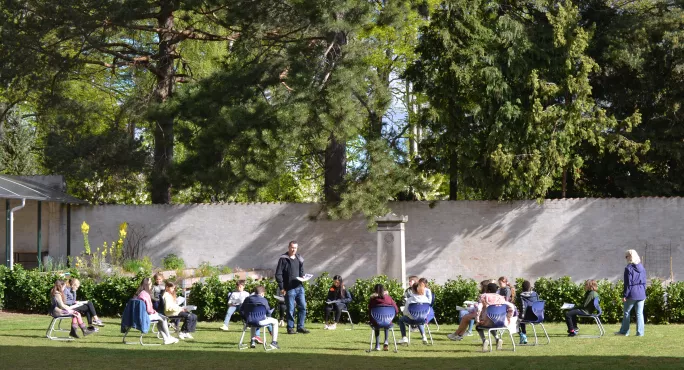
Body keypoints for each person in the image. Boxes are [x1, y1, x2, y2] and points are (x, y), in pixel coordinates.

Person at [448, 283, 516, 352]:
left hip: (487, 321)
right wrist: (508, 317)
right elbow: (511, 306)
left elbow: (479, 307)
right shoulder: (501, 297)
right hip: (501, 322)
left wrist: (477, 318)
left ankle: (484, 340)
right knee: (492, 324)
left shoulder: (484, 296)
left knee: (478, 326)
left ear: (488, 290)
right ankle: (497, 338)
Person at [275, 240, 309, 334]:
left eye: (295, 248)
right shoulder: (283, 259)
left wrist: (303, 276)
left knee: (302, 307)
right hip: (289, 289)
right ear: (288, 247)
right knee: (290, 309)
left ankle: (300, 327)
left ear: (297, 248)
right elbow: (278, 274)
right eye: (292, 247)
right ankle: (290, 328)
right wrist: (282, 287)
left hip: (299, 287)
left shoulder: (299, 258)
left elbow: (301, 271)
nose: (293, 249)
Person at [135, 277, 178, 345]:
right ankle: (168, 337)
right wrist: (155, 312)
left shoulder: (139, 293)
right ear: (147, 284)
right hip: (144, 316)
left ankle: (166, 339)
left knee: (160, 320)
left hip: (139, 316)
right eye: (150, 283)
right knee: (163, 318)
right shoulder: (145, 295)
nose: (151, 285)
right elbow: (149, 310)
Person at [617, 249, 647, 337]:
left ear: (630, 257)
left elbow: (628, 283)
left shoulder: (628, 268)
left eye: (626, 256)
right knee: (639, 313)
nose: (625, 258)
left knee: (626, 312)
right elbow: (644, 282)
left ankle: (624, 331)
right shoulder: (642, 268)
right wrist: (643, 291)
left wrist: (625, 295)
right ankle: (640, 333)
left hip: (632, 293)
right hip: (641, 292)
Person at [398, 279, 431, 345]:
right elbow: (428, 310)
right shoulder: (426, 299)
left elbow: (405, 312)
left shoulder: (410, 300)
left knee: (401, 320)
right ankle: (424, 336)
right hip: (423, 319)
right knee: (419, 318)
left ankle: (404, 337)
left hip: (412, 320)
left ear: (413, 290)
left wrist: (411, 315)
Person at [369, 283, 399, 351]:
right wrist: (391, 317)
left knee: (377, 323)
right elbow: (396, 310)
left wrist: (371, 320)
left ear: (375, 291)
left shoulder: (373, 300)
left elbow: (370, 311)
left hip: (376, 322)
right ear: (383, 290)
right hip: (388, 321)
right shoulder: (389, 298)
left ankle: (377, 345)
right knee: (386, 321)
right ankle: (386, 341)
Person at [518, 280, 539, 344]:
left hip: (528, 317)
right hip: (538, 316)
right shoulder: (535, 294)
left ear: (522, 288)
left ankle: (523, 334)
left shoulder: (521, 296)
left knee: (518, 319)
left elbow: (523, 308)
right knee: (521, 317)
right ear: (530, 287)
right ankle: (523, 335)